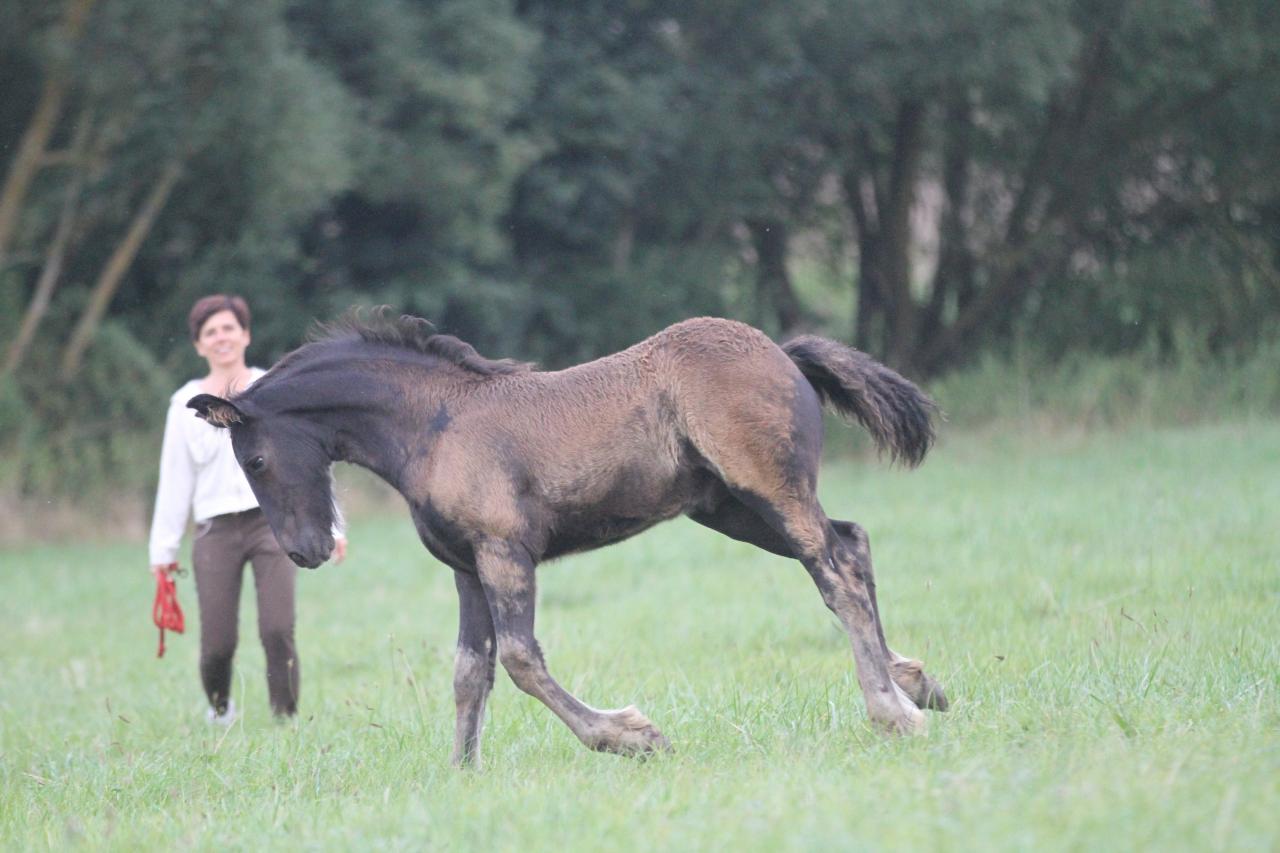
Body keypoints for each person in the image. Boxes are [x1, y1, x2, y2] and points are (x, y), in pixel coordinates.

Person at [148, 294, 347, 723]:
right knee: (217, 643)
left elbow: (308, 463)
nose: (221, 338)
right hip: (214, 532)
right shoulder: (185, 404)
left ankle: (285, 718)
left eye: (228, 328)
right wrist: (162, 553)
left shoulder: (272, 390)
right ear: (199, 345)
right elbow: (175, 480)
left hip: (271, 524)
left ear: (246, 335)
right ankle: (220, 710)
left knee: (277, 629)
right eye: (210, 332)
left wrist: (335, 526)